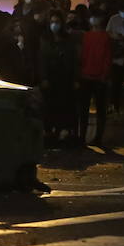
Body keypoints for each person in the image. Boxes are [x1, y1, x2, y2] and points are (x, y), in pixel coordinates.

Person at [38, 10, 78, 145]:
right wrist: (43, 77)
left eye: (57, 22)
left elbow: (73, 60)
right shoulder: (45, 39)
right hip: (50, 78)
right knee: (49, 106)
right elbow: (42, 60)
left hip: (64, 78)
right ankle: (49, 132)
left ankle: (61, 132)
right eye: (52, 22)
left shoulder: (68, 40)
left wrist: (75, 78)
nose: (54, 25)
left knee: (63, 106)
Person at [79, 11, 111, 146]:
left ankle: (87, 137)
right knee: (94, 110)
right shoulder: (92, 36)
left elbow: (106, 57)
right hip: (93, 77)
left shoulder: (97, 36)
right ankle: (91, 137)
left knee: (90, 110)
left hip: (92, 77)